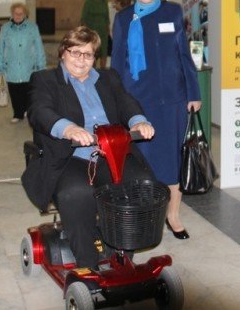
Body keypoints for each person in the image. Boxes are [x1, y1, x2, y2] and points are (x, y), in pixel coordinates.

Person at [25, 26, 156, 269]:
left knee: (142, 185)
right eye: (75, 52)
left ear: (95, 57)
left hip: (111, 153)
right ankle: (87, 263)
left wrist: (138, 121)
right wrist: (68, 128)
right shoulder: (45, 80)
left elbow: (125, 102)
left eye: (87, 54)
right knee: (77, 194)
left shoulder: (108, 77)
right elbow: (39, 111)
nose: (81, 60)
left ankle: (122, 251)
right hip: (70, 157)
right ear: (63, 52)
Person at [111, 0, 201, 240]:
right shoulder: (124, 18)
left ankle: (173, 216)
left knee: (172, 161)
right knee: (143, 163)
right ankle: (144, 217)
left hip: (172, 101)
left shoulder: (172, 11)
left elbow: (183, 54)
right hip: (138, 103)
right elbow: (117, 63)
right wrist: (117, 102)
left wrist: (193, 92)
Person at [0, 2, 46, 123]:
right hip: (11, 66)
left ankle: (26, 110)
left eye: (21, 13)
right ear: (12, 14)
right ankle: (17, 114)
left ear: (25, 14)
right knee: (14, 91)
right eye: (16, 13)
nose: (18, 16)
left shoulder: (32, 27)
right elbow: (1, 48)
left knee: (27, 90)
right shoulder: (5, 28)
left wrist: (41, 65)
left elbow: (39, 47)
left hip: (28, 65)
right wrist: (0, 65)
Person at [80, 0, 110, 68]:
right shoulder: (89, 1)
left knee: (104, 52)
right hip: (92, 31)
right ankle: (92, 70)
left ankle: (103, 71)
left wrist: (108, 29)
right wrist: (86, 31)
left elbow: (107, 17)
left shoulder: (104, 1)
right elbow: (83, 17)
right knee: (93, 52)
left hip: (103, 32)